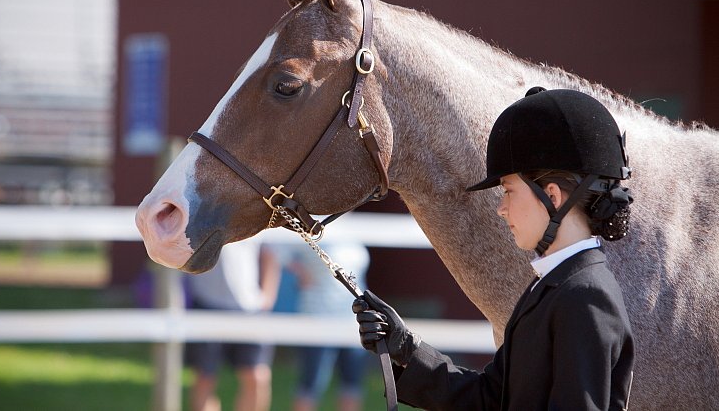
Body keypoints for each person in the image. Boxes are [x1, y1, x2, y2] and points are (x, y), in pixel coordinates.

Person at [353, 87, 636, 410]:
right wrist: (406, 348)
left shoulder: (585, 298)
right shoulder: (553, 286)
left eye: (509, 191)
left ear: (552, 197)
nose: (501, 208)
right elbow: (492, 398)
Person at [186, 241, 280, 411]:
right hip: (208, 304)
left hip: (250, 307)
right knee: (205, 377)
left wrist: (267, 295)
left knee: (257, 377)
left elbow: (270, 252)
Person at [287, 239, 370, 411]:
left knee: (352, 384)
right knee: (311, 383)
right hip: (318, 319)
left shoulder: (355, 231)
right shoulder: (314, 227)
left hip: (352, 322)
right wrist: (301, 271)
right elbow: (278, 251)